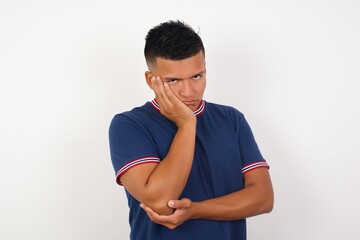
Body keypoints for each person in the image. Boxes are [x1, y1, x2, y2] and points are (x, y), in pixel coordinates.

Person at [109, 20, 274, 240]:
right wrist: (187, 124)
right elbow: (160, 202)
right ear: (151, 80)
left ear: (205, 69)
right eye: (173, 80)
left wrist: (196, 210)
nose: (188, 92)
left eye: (196, 76)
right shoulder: (129, 125)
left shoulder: (231, 119)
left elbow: (263, 198)